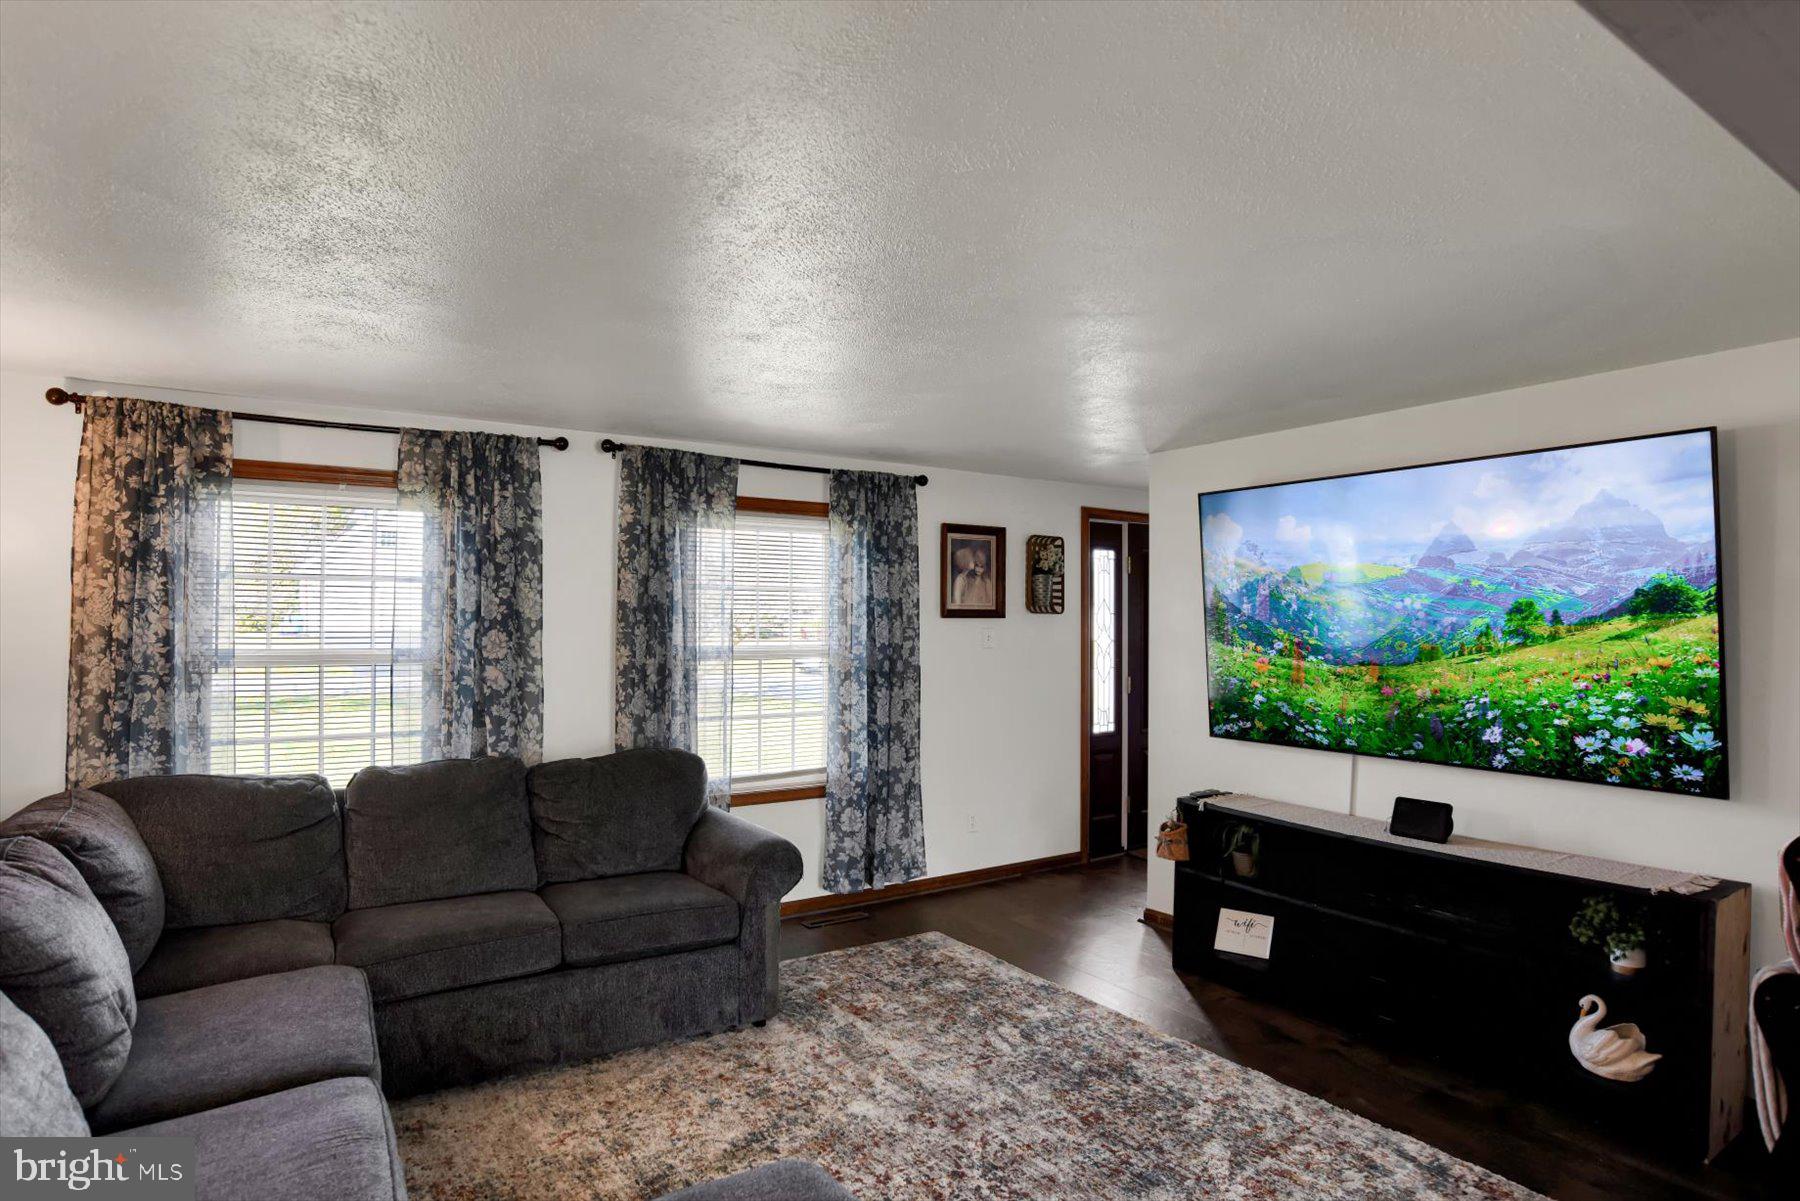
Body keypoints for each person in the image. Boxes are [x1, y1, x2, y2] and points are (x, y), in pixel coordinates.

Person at [952, 543, 994, 609]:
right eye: (973, 561)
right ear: (966, 561)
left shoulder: (985, 581)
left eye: (981, 567)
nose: (973, 562)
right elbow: (957, 603)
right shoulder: (961, 579)